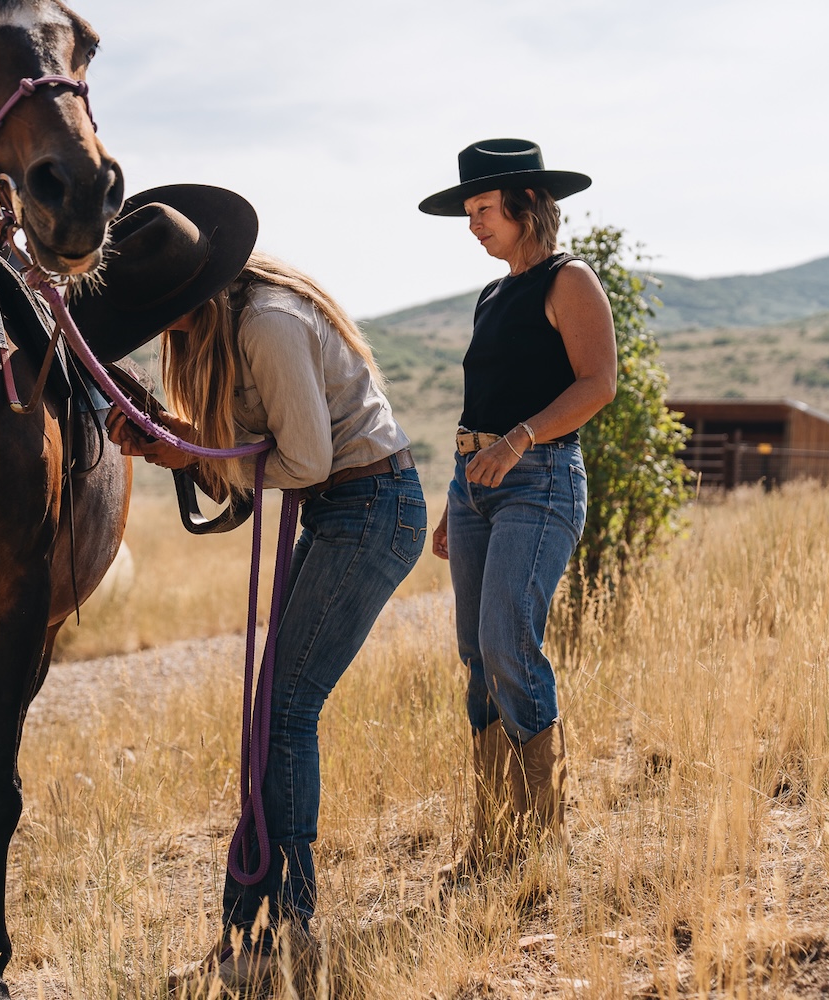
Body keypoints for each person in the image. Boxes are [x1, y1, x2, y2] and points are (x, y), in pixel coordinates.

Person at [72, 183, 427, 991]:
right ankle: (250, 933)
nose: (155, 324)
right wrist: (177, 442)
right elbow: (259, 455)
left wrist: (188, 453)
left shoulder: (265, 323)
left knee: (286, 715)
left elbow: (303, 463)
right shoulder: (221, 324)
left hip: (370, 508)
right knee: (275, 719)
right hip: (347, 509)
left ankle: (286, 933)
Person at [417, 139, 618, 886]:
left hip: (540, 480)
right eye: (468, 213)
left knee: (507, 641)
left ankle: (542, 843)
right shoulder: (492, 294)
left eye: (482, 211)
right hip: (479, 485)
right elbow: (483, 403)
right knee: (476, 658)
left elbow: (600, 384)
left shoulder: (569, 281)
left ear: (526, 206)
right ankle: (493, 842)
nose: (473, 225)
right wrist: (455, 495)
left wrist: (520, 438)